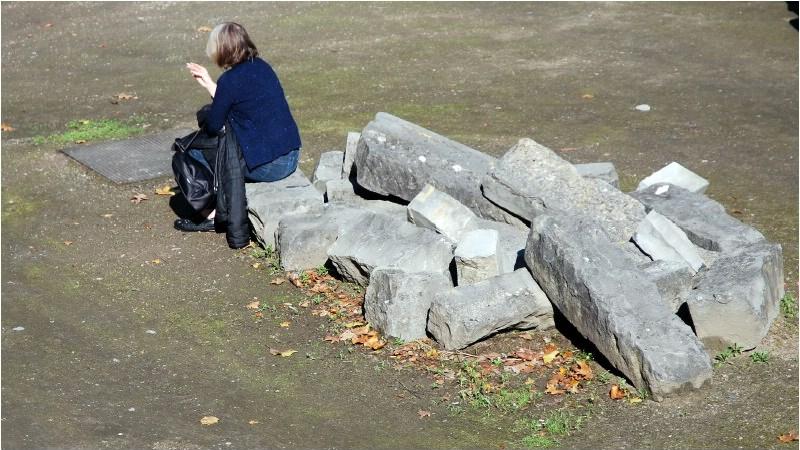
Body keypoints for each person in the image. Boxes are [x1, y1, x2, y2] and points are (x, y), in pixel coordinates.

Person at [175, 22, 301, 233]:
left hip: (270, 166)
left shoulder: (230, 80)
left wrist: (212, 88)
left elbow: (214, 126)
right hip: (290, 155)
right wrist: (208, 83)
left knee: (188, 153)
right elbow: (239, 102)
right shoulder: (261, 66)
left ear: (222, 50)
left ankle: (211, 215)